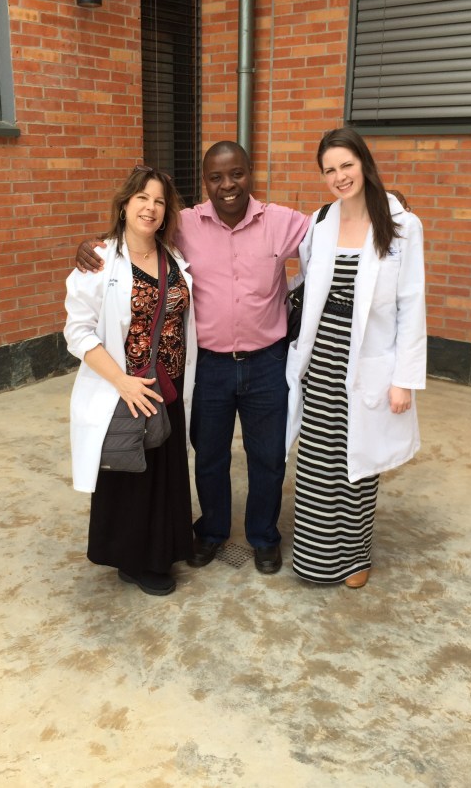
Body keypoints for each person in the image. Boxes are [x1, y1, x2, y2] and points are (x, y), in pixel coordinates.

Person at [75, 143, 312, 574]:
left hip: (266, 362)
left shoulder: (281, 221)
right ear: (205, 182)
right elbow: (137, 234)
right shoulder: (183, 224)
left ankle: (263, 536)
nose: (227, 185)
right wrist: (91, 247)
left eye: (236, 174)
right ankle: (213, 531)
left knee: (268, 455)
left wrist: (391, 210)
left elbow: (333, 230)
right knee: (209, 454)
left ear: (249, 174)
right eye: (216, 177)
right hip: (211, 366)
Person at [285, 127, 427, 589]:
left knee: (358, 465)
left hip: (370, 361)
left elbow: (412, 304)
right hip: (322, 356)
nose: (339, 176)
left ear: (364, 163)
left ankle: (354, 558)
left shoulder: (403, 224)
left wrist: (404, 379)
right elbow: (308, 288)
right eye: (329, 170)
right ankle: (316, 559)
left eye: (346, 165)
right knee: (318, 462)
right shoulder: (320, 222)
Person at [64, 167, 197, 596]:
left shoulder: (173, 257)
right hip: (127, 388)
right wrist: (122, 382)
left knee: (165, 473)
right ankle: (134, 559)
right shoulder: (100, 260)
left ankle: (161, 551)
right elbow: (77, 332)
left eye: (159, 201)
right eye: (142, 197)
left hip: (169, 387)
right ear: (124, 204)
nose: (150, 207)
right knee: (131, 472)